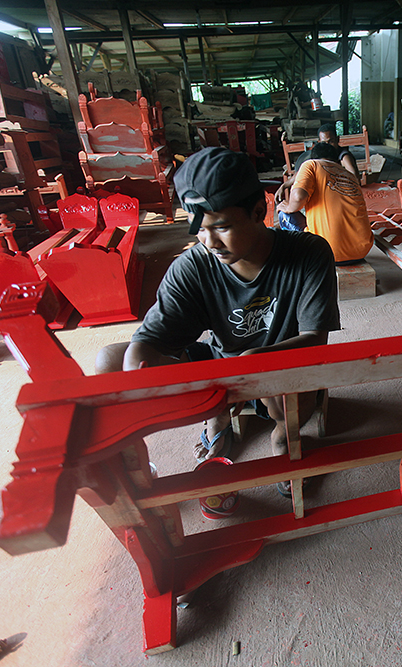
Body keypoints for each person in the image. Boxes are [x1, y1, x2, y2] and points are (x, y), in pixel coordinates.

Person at [95, 147, 340, 497]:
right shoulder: (193, 265)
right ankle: (217, 418)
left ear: (259, 211)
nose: (208, 242)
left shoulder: (309, 254)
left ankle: (284, 436)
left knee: (281, 389)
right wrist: (142, 376)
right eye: (198, 228)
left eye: (221, 227)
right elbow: (150, 341)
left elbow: (314, 339)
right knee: (110, 361)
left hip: (282, 368)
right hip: (221, 365)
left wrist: (252, 365)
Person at [277, 141, 374, 265]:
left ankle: (300, 264)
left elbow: (298, 197)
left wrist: (287, 207)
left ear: (314, 157)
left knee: (284, 214)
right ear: (337, 162)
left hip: (325, 251)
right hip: (361, 250)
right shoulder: (350, 175)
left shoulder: (311, 164)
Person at [274, 123, 361, 204]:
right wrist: (284, 186)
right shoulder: (318, 155)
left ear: (338, 139)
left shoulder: (343, 156)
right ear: (319, 142)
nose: (328, 146)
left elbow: (354, 177)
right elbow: (302, 172)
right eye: (324, 142)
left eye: (331, 141)